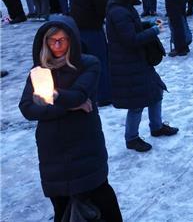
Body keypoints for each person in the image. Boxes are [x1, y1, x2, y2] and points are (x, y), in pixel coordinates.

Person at [18, 16, 123, 221]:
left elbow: (79, 95)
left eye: (63, 40)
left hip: (84, 143)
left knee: (101, 198)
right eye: (52, 40)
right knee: (62, 206)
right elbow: (27, 108)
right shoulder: (39, 71)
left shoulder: (88, 64)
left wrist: (53, 96)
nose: (57, 45)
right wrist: (71, 107)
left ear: (72, 40)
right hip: (52, 150)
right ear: (45, 42)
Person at [106, 0, 179, 152]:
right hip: (127, 63)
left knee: (156, 91)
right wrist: (154, 31)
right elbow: (130, 40)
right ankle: (132, 138)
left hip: (138, 60)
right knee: (137, 103)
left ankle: (156, 126)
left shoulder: (124, 6)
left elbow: (132, 29)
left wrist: (148, 24)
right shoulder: (118, 11)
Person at [70, 0, 119, 106]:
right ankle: (105, 94)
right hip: (91, 27)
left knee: (88, 62)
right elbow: (102, 9)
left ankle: (95, 92)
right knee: (100, 60)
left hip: (79, 26)